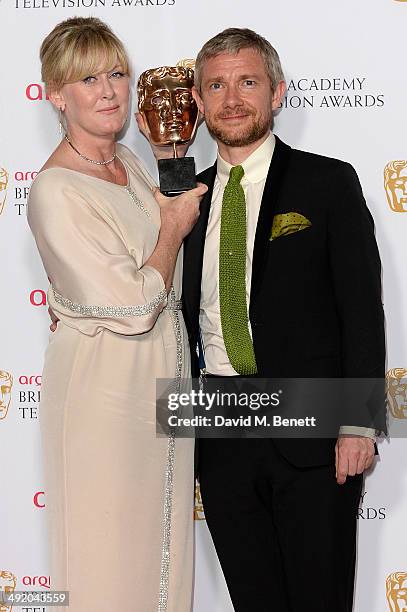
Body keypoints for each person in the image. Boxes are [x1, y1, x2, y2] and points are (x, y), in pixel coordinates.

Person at [181, 28, 386, 611]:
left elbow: (362, 312)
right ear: (198, 102)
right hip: (218, 426)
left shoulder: (328, 181)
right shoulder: (182, 199)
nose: (233, 99)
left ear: (278, 92)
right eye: (216, 86)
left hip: (314, 428)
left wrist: (357, 424)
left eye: (248, 82)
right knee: (254, 599)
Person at [27, 17, 206, 612]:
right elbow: (131, 304)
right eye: (88, 79)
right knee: (106, 552)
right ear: (57, 94)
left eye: (118, 74)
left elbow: (156, 233)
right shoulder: (56, 189)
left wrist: (172, 158)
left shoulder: (128, 160)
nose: (108, 91)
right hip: (105, 390)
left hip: (163, 383)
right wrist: (175, 232)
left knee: (163, 550)